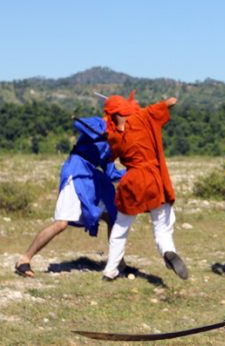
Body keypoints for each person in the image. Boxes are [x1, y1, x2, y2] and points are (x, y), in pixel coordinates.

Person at [14, 117, 124, 278]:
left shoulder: (114, 143)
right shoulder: (100, 124)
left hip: (91, 179)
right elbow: (78, 123)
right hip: (76, 172)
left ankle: (119, 264)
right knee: (61, 223)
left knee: (110, 217)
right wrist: (104, 133)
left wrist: (135, 172)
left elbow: (111, 172)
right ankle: (24, 259)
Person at [101, 91, 188, 281]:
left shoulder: (114, 135)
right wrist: (169, 101)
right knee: (162, 224)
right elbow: (167, 103)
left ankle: (110, 270)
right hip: (154, 178)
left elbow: (110, 155)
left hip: (132, 180)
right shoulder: (144, 116)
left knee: (121, 226)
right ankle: (168, 251)